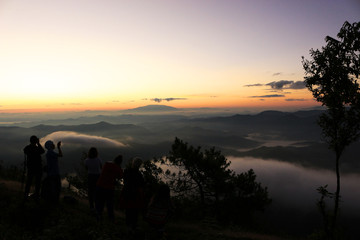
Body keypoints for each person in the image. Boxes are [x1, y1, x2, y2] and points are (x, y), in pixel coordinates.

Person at [95, 154, 123, 222]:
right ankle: (111, 218)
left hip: (100, 185)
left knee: (100, 202)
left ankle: (99, 216)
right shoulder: (118, 168)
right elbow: (121, 176)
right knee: (110, 204)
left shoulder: (107, 164)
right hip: (109, 187)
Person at [121, 157, 145, 233]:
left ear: (133, 163)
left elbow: (124, 180)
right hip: (135, 194)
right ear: (139, 165)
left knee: (128, 210)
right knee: (135, 210)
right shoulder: (139, 174)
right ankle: (134, 226)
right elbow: (142, 185)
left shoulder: (126, 171)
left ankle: (128, 226)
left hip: (127, 192)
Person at [23, 135, 45, 201]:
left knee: (29, 181)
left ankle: (26, 194)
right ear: (36, 141)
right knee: (37, 182)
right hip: (38, 167)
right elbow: (42, 151)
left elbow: (24, 150)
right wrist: (38, 144)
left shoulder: (27, 148)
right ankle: (36, 195)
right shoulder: (37, 148)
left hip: (30, 167)